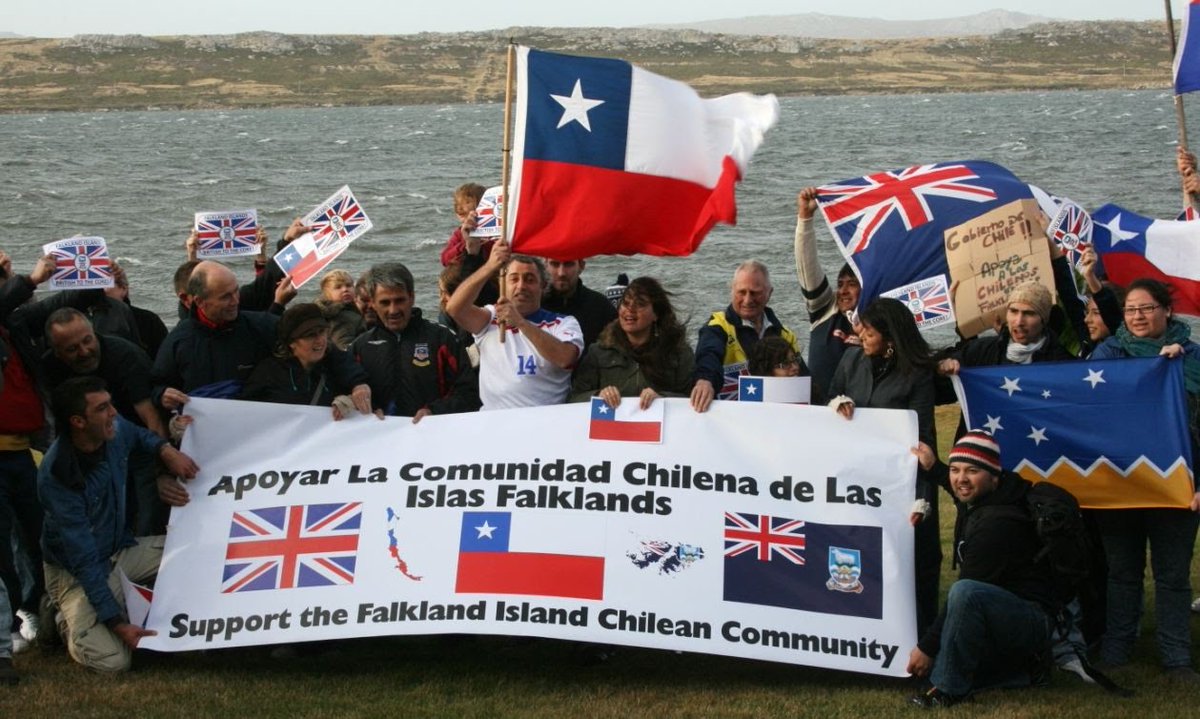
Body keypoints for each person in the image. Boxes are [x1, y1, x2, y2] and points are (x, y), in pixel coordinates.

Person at [39, 376, 199, 673]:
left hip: (120, 550)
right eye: (102, 408)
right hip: (76, 572)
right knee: (113, 662)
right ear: (78, 421)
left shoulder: (113, 430)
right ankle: (61, 618)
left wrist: (166, 450)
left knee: (195, 551)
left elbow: (140, 436)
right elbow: (83, 559)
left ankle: (121, 605)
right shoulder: (58, 475)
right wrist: (118, 625)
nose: (113, 412)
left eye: (110, 403)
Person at [1089, 278, 1200, 681]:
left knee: (1172, 575)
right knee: (1122, 572)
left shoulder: (1192, 357)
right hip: (1120, 485)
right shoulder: (1109, 352)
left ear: (1167, 311)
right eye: (1131, 309)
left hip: (1178, 488)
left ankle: (1176, 657)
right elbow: (1087, 406)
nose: (1137, 316)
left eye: (1146, 308)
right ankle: (1118, 649)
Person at [907, 431, 1056, 708]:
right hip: (1000, 613)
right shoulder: (989, 496)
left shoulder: (998, 523)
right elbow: (958, 488)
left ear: (993, 476)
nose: (961, 479)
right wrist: (935, 467)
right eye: (955, 470)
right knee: (963, 613)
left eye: (972, 471)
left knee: (965, 592)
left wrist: (926, 647)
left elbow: (964, 599)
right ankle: (1023, 672)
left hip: (1029, 620)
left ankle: (948, 689)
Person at [827, 297, 941, 638]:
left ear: (890, 337)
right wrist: (838, 403)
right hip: (859, 482)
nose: (861, 334)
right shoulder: (850, 359)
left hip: (901, 487)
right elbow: (829, 399)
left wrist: (922, 498)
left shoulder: (917, 375)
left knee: (915, 562)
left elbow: (923, 437)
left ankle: (919, 637)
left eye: (870, 331)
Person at [44, 307, 169, 535]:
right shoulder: (48, 368)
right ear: (56, 352)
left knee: (146, 519)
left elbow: (152, 419)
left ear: (94, 331)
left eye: (88, 341)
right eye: (72, 349)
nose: (84, 352)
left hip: (138, 447)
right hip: (87, 452)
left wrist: (162, 473)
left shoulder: (124, 355)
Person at [446, 241, 583, 410]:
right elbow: (454, 308)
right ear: (503, 285)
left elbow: (565, 358)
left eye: (529, 279)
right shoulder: (490, 319)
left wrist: (520, 322)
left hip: (545, 422)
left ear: (543, 286)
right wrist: (489, 267)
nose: (521, 286)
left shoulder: (563, 323)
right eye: (514, 279)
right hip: (495, 422)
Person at [351, 262, 480, 420]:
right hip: (380, 438)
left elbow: (470, 394)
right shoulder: (360, 346)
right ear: (372, 302)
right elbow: (343, 392)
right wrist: (368, 409)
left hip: (433, 435)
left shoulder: (443, 338)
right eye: (385, 302)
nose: (393, 310)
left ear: (412, 297)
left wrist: (434, 411)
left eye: (399, 300)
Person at [152, 260, 279, 409]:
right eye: (225, 297)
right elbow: (157, 385)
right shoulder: (179, 341)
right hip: (206, 426)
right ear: (199, 302)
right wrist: (162, 395)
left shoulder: (263, 326)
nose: (236, 301)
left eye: (236, 291)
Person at [690, 260, 800, 413]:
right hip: (729, 418)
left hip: (773, 417)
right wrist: (705, 380)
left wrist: (833, 404)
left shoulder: (785, 335)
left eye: (755, 293)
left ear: (769, 293)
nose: (747, 300)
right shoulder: (717, 327)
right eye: (741, 292)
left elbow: (804, 381)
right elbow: (708, 356)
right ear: (732, 290)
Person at [569, 277, 693, 408]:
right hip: (613, 427)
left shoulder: (678, 352)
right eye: (626, 303)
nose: (630, 309)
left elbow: (692, 397)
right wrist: (599, 395)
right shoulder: (599, 352)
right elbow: (574, 398)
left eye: (640, 304)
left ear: (656, 314)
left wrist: (663, 398)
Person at [242, 303, 372, 418]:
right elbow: (245, 413)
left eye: (322, 332)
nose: (320, 340)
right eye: (310, 335)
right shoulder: (268, 373)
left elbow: (362, 393)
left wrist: (350, 400)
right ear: (292, 342)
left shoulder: (336, 365)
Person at [794, 187, 861, 395]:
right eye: (840, 284)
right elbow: (807, 266)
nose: (842, 291)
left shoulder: (879, 322)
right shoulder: (825, 310)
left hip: (865, 417)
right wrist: (805, 218)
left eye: (851, 284)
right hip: (823, 416)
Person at [541, 258, 617, 349]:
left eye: (568, 264)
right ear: (545, 266)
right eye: (555, 264)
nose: (561, 273)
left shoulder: (601, 306)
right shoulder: (533, 306)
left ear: (581, 266)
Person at [315, 269, 365, 350]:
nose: (345, 289)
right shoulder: (340, 316)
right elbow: (343, 345)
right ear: (327, 293)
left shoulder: (350, 309)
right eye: (338, 287)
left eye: (349, 285)